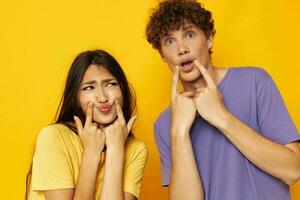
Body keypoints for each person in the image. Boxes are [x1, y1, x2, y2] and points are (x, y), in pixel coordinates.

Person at [145, 0, 300, 199]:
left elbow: (293, 170)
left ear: (209, 39)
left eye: (189, 35)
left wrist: (221, 116)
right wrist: (179, 133)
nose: (181, 48)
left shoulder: (254, 82)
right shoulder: (165, 123)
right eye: (169, 41)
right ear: (163, 55)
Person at [27, 50, 148, 200]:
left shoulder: (136, 150)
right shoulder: (53, 137)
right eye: (89, 88)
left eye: (110, 84)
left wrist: (116, 150)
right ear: (75, 98)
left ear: (122, 90)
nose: (103, 98)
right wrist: (91, 153)